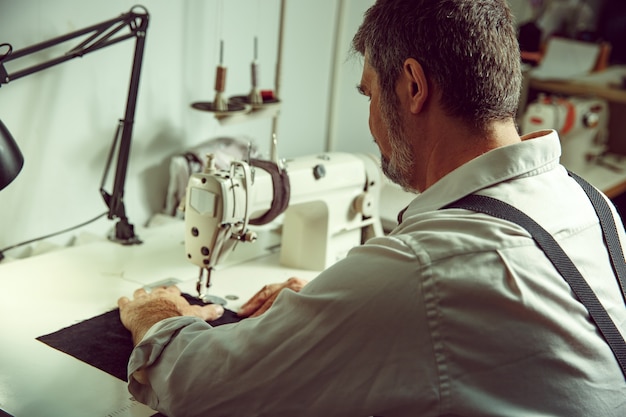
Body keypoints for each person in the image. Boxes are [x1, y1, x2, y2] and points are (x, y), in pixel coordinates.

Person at [117, 0, 626, 415]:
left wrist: (159, 314)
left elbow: (198, 386)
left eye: (368, 94)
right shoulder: (587, 200)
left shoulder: (422, 268)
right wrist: (343, 306)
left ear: (413, 86)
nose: (370, 120)